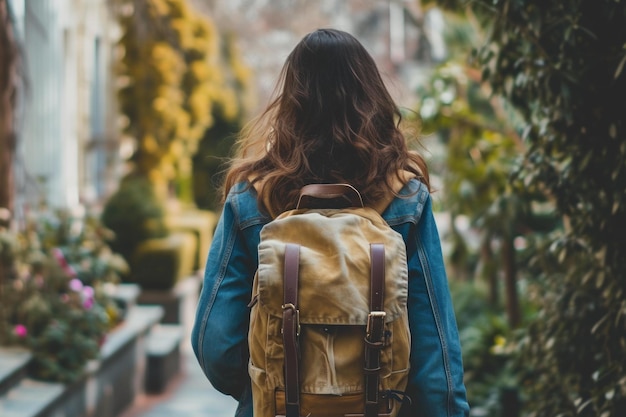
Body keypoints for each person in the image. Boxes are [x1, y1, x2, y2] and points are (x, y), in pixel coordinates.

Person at [191, 28, 470, 417]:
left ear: (291, 102)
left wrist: (272, 382)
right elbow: (435, 352)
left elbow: (215, 344)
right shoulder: (403, 195)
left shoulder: (252, 196)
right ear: (371, 98)